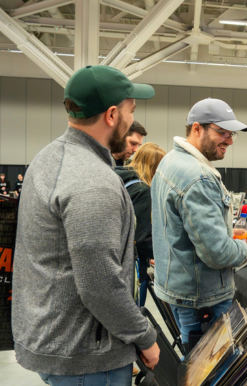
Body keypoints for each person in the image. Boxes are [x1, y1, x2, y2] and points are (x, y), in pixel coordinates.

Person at [12, 65, 160, 386]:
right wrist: (145, 337)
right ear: (111, 115)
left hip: (56, 339)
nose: (132, 119)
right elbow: (99, 284)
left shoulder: (48, 158)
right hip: (86, 356)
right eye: (130, 111)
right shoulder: (93, 182)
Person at [152, 98, 247, 351]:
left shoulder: (170, 161)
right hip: (202, 300)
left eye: (232, 135)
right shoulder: (198, 177)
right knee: (206, 372)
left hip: (182, 291)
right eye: (222, 132)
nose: (229, 140)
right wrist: (245, 248)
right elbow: (217, 253)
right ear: (197, 129)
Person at [115, 142, 166, 307]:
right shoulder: (143, 191)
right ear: (154, 167)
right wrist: (162, 256)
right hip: (134, 265)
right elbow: (142, 237)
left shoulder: (119, 180)